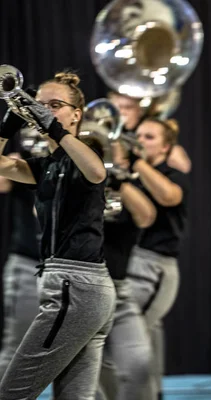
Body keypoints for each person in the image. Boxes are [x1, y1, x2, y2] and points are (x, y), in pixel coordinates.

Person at [0, 71, 115, 399]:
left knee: (12, 393)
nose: (43, 111)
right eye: (39, 106)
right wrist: (8, 123)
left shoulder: (86, 153)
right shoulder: (44, 165)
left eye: (54, 105)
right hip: (78, 288)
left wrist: (52, 127)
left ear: (76, 114)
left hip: (77, 287)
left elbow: (96, 171)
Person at [86, 136, 156, 400]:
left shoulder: (131, 187)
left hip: (119, 291)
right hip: (82, 292)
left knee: (139, 364)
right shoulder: (77, 179)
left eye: (113, 154)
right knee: (86, 378)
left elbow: (147, 216)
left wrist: (117, 180)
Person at [126, 117, 190, 399]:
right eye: (137, 135)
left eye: (149, 137)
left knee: (130, 338)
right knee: (141, 340)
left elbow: (167, 197)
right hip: (127, 264)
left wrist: (134, 162)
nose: (140, 140)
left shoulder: (173, 176)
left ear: (166, 147)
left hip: (155, 268)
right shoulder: (128, 176)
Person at [0, 137, 42, 380]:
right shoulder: (24, 158)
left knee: (75, 354)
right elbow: (2, 184)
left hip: (67, 267)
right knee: (16, 349)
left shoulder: (76, 157)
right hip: (28, 264)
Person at [108, 91, 191, 174]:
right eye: (117, 108)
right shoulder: (108, 130)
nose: (122, 112)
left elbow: (183, 167)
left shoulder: (152, 129)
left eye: (128, 107)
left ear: (140, 110)